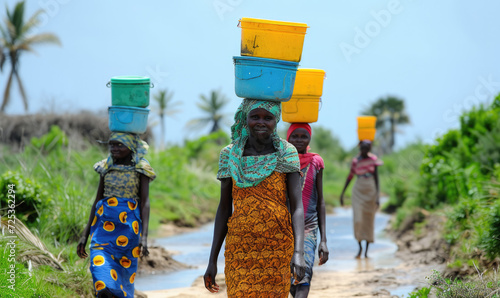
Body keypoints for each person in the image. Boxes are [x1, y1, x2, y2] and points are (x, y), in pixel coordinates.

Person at [203, 99, 307, 297]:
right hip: (240, 246)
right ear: (245, 118)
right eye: (255, 117)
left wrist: (299, 253)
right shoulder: (230, 155)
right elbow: (224, 209)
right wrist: (212, 260)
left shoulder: (286, 153)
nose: (261, 122)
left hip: (277, 246)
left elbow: (297, 207)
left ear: (276, 121)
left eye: (268, 118)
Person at [77, 132, 156, 297]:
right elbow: (97, 199)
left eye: (119, 144)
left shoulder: (140, 167)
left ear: (131, 146)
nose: (114, 148)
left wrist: (144, 237)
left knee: (123, 279)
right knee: (101, 280)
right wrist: (85, 234)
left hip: (128, 231)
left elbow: (145, 202)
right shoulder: (106, 166)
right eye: (111, 144)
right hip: (102, 230)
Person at [287, 123, 329, 298]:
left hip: (308, 226)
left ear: (310, 138)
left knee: (304, 274)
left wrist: (324, 240)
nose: (299, 140)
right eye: (294, 136)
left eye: (303, 136)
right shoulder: (283, 161)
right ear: (288, 137)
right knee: (289, 277)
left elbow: (320, 201)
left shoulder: (315, 162)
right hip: (283, 227)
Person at [340, 140, 382, 259]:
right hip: (358, 191)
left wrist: (378, 197)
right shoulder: (355, 161)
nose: (364, 150)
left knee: (368, 221)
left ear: (369, 148)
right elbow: (350, 177)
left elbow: (377, 179)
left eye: (366, 148)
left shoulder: (374, 160)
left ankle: (366, 252)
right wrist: (342, 194)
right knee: (358, 220)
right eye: (362, 148)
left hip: (371, 191)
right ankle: (359, 248)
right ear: (359, 148)